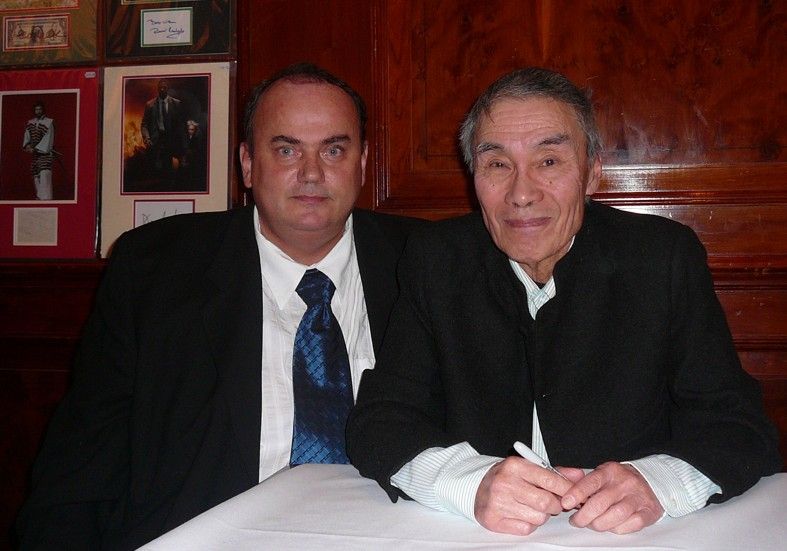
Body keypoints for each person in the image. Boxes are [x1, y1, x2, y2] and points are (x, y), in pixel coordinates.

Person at [346, 67, 781, 537]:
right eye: (497, 165)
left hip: (631, 539)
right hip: (476, 537)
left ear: (592, 172)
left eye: (549, 161)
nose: (521, 194)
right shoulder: (437, 260)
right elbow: (381, 421)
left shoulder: (661, 258)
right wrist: (469, 482)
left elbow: (738, 425)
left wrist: (658, 483)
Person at [17, 63, 423, 549]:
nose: (312, 173)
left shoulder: (428, 264)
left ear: (362, 163)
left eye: (334, 150)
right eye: (287, 150)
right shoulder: (154, 272)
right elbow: (81, 468)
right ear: (247, 164)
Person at [140, 79, 185, 177]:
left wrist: (181, 147)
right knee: (154, 171)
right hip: (155, 141)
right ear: (157, 89)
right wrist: (147, 138)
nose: (162, 89)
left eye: (164, 87)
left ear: (168, 89)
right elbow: (144, 124)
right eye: (160, 88)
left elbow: (180, 126)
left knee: (169, 171)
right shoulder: (150, 105)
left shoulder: (176, 103)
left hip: (170, 141)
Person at [22, 101, 55, 200]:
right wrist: (28, 147)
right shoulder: (30, 123)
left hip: (45, 154)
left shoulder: (48, 122)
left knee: (45, 174)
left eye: (40, 109)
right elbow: (27, 137)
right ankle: (39, 198)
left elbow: (48, 138)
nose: (38, 111)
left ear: (43, 110)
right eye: (36, 109)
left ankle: (46, 199)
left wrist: (37, 148)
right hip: (35, 155)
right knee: (36, 176)